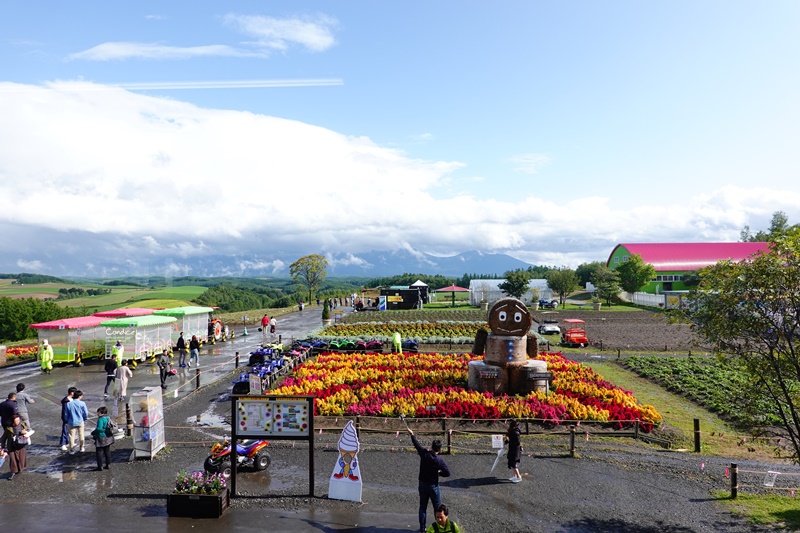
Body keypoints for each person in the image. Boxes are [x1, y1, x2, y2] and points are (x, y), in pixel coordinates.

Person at [407, 426, 451, 533]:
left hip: (422, 484)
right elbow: (448, 473)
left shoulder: (424, 454)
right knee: (437, 508)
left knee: (423, 507)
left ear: (431, 447)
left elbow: (417, 445)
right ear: (439, 450)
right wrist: (439, 473)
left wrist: (412, 435)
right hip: (433, 486)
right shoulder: (439, 461)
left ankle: (423, 529)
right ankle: (439, 527)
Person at [1, 414, 30, 480]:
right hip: (12, 446)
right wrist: (3, 447)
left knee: (21, 458)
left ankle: (20, 469)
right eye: (16, 421)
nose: (18, 422)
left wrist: (24, 432)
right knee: (13, 460)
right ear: (13, 421)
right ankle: (13, 472)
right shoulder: (9, 428)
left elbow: (27, 431)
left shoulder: (22, 425)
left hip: (20, 445)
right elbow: (3, 438)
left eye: (18, 420)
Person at [64, 389, 89, 454]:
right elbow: (86, 412)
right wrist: (84, 418)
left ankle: (72, 449)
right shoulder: (82, 403)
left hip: (71, 422)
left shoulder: (69, 404)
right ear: (79, 396)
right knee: (81, 435)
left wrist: (66, 420)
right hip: (80, 421)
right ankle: (82, 447)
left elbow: (66, 414)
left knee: (71, 436)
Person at [90, 406, 114, 471]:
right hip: (108, 436)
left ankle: (100, 466)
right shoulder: (107, 418)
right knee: (107, 451)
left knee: (99, 452)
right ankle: (108, 464)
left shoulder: (100, 419)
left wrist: (93, 432)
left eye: (98, 412)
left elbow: (99, 429)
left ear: (101, 413)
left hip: (101, 437)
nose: (97, 413)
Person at [59, 387, 77, 451]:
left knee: (70, 431)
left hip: (71, 417)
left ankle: (67, 442)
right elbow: (65, 411)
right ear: (72, 393)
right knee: (65, 430)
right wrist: (65, 419)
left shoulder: (71, 399)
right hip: (67, 418)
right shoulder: (66, 401)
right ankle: (63, 444)